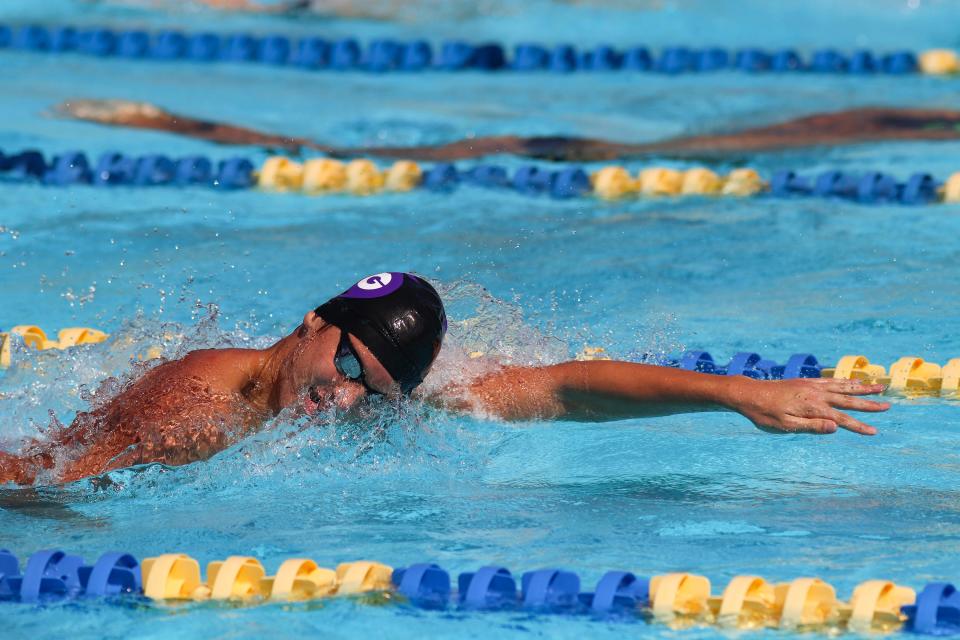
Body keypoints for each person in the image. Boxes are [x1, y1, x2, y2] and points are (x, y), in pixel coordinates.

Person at [0, 272, 888, 486]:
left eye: (371, 389)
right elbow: (47, 481)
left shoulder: (384, 392)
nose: (341, 396)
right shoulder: (194, 412)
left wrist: (743, 395)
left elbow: (565, 388)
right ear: (315, 321)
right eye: (345, 363)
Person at [56, 100, 960, 162]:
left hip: (589, 155)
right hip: (582, 157)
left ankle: (179, 120)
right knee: (363, 160)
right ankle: (178, 121)